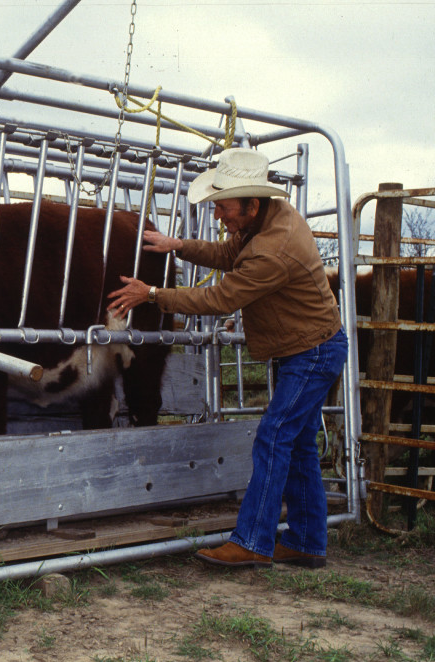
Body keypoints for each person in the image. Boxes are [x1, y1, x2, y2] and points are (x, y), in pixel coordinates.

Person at [107, 147, 348, 569]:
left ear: (251, 204)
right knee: (299, 446)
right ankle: (308, 542)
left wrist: (152, 294)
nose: (219, 216)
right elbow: (226, 253)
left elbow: (221, 297)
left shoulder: (274, 248)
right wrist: (178, 245)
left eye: (223, 208)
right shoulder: (268, 219)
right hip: (306, 348)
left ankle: (253, 540)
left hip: (312, 352)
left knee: (275, 437)